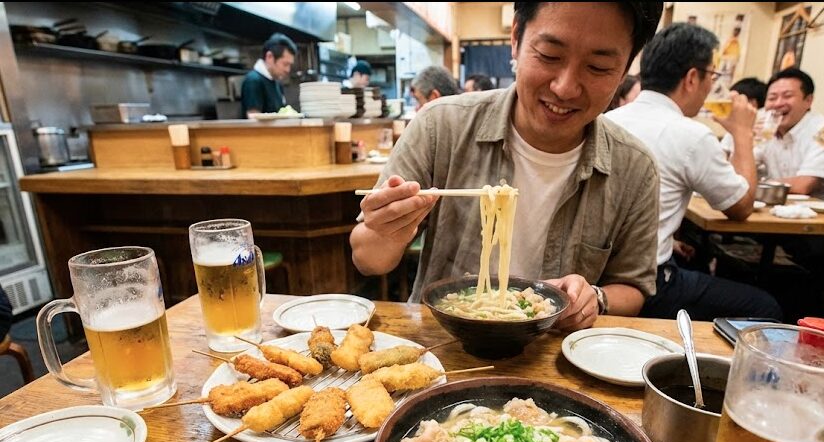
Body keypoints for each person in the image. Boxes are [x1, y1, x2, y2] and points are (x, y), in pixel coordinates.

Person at [351, 2, 664, 332]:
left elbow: (633, 288)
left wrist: (596, 298)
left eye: (598, 67)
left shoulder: (635, 168)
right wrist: (386, 232)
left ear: (628, 66)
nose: (565, 87)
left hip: (553, 352)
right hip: (443, 343)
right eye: (549, 55)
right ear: (516, 37)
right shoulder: (440, 126)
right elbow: (367, 259)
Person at [606, 23, 781, 321]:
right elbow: (741, 206)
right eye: (711, 76)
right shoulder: (691, 135)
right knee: (764, 307)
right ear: (691, 78)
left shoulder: (608, 120)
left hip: (598, 275)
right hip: (647, 284)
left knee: (692, 257)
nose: (711, 86)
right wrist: (742, 133)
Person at [758, 67, 824, 197]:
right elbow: (737, 175)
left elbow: (803, 185)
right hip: (777, 209)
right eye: (772, 98)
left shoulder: (821, 130)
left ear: (808, 101)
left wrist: (757, 184)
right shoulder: (765, 128)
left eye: (787, 96)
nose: (778, 103)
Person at [241, 33, 297, 117]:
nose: (288, 70)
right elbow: (253, 119)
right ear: (269, 57)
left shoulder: (276, 82)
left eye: (290, 65)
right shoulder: (253, 80)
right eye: (285, 64)